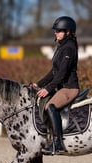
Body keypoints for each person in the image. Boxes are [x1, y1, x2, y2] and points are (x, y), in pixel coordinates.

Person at [31, 16, 80, 155]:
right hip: (62, 87)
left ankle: (57, 143)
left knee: (50, 107)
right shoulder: (61, 47)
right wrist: (38, 84)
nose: (56, 33)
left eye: (59, 30)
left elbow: (62, 74)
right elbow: (54, 72)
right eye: (56, 30)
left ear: (68, 32)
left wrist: (48, 89)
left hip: (70, 88)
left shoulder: (69, 48)